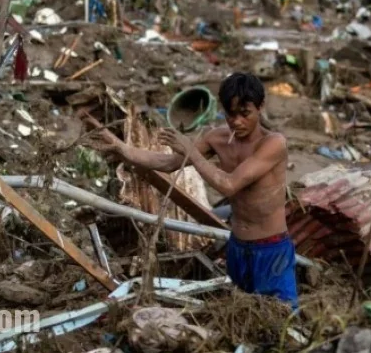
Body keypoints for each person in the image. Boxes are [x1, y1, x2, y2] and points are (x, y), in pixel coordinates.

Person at [99, 73, 297, 309]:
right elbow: (170, 163)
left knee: (281, 315)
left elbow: (229, 184)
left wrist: (191, 151)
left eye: (245, 114)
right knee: (244, 312)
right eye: (230, 114)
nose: (237, 122)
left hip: (271, 248)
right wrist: (123, 149)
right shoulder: (218, 138)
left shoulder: (273, 143)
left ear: (260, 107)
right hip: (238, 246)